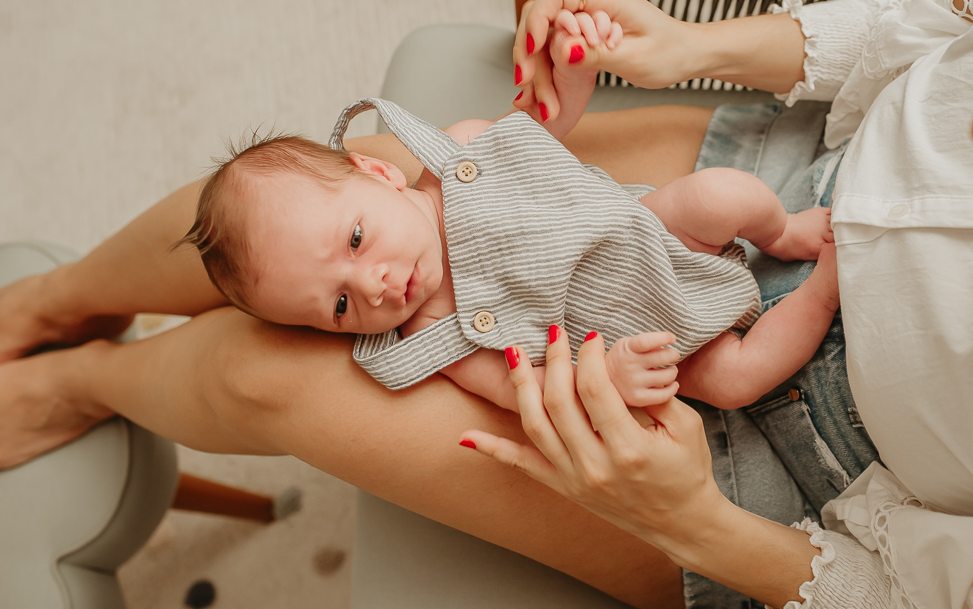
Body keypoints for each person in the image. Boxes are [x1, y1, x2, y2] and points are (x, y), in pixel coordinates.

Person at [2, 0, 973, 609]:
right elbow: (955, 0)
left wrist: (687, 519)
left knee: (287, 372)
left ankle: (79, 384)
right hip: (797, 179)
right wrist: (691, 49)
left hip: (799, 454)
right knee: (317, 192)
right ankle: (57, 303)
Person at [174, 94, 836, 411]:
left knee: (724, 195)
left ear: (379, 173)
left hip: (649, 228)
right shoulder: (432, 332)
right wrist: (605, 377)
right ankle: (824, 288)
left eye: (355, 240)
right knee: (733, 381)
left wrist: (558, 104)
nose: (372, 285)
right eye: (338, 304)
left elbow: (546, 151)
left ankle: (787, 234)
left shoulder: (459, 151)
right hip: (652, 341)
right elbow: (532, 396)